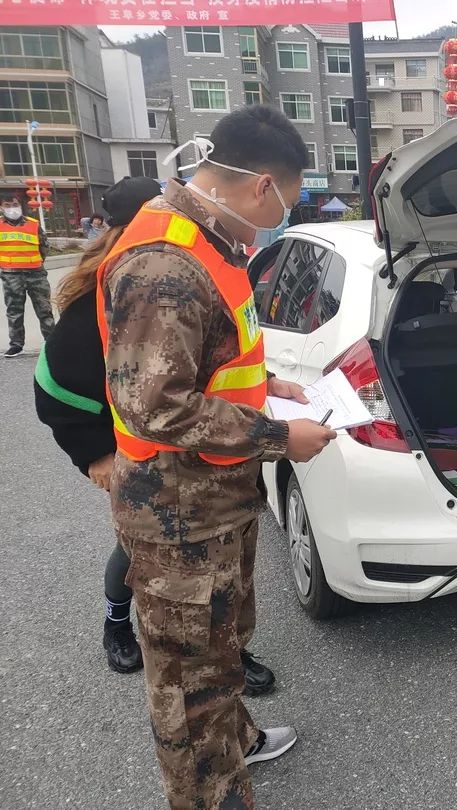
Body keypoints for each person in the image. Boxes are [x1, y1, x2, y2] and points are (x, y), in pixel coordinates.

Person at [98, 105, 337, 809]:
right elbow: (157, 404)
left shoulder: (206, 239)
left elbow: (208, 362)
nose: (281, 218)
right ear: (262, 186)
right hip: (178, 516)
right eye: (287, 204)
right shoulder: (164, 264)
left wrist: (273, 387)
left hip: (213, 500)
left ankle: (238, 746)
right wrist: (278, 438)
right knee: (191, 686)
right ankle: (212, 791)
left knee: (222, 648)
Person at [33, 177, 278, 692]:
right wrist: (94, 454)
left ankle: (226, 659)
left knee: (203, 593)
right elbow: (55, 386)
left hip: (193, 456)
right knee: (139, 554)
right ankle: (117, 625)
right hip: (138, 458)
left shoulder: (188, 269)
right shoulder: (136, 280)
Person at [2, 192, 53, 358]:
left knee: (44, 309)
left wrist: (36, 262)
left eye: (14, 205)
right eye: (7, 206)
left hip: (36, 273)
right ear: (1, 207)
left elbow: (44, 247)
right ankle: (16, 345)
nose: (12, 209)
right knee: (14, 311)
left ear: (20, 205)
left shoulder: (34, 224)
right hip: (11, 275)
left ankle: (51, 342)